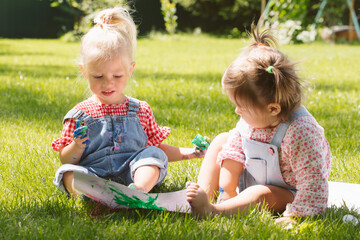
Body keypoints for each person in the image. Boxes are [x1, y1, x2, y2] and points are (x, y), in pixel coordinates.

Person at [186, 24, 331, 223]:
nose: (237, 111)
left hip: (287, 192)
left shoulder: (301, 132)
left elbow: (313, 181)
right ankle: (203, 196)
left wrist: (298, 214)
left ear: (273, 109)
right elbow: (234, 149)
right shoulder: (256, 117)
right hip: (252, 174)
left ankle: (213, 211)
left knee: (259, 194)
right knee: (221, 141)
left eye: (241, 107)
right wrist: (227, 189)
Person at [52, 7, 202, 197]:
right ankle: (92, 195)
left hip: (133, 172)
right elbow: (66, 159)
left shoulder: (140, 110)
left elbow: (158, 148)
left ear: (130, 70)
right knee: (68, 172)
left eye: (117, 75)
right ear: (84, 71)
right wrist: (76, 146)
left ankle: (138, 190)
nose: (108, 83)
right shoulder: (79, 115)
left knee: (153, 156)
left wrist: (192, 153)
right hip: (94, 174)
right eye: (98, 76)